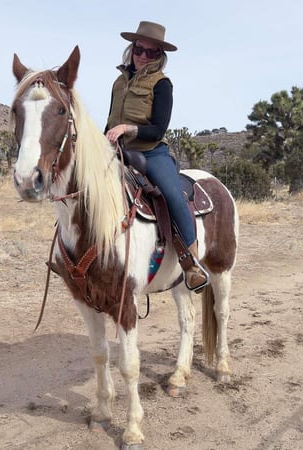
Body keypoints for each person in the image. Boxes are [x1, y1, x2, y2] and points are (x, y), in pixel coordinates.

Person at [105, 20, 209, 292]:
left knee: (173, 196)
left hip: (151, 152)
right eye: (139, 49)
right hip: (118, 151)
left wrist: (127, 128)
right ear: (132, 49)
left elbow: (159, 129)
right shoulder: (119, 82)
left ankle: (191, 263)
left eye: (151, 53)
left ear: (159, 56)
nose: (143, 56)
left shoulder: (162, 84)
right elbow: (110, 121)